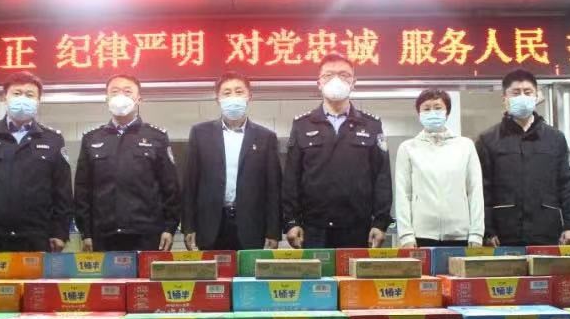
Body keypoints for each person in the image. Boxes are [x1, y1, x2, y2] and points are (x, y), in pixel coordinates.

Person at [282, 53, 392, 249]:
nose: (336, 80)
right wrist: (291, 221)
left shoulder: (371, 125)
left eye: (343, 75)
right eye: (328, 75)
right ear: (319, 83)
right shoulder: (302, 125)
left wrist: (380, 222)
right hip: (313, 228)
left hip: (359, 228)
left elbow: (382, 177)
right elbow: (291, 178)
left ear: (353, 82)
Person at [0, 71, 72, 253]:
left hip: (38, 236)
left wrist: (60, 232)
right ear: (5, 97)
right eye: (17, 93)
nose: (23, 99)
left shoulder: (53, 139)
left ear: (38, 101)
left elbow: (62, 191)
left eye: (30, 95)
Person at [74, 73, 180, 252]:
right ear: (107, 99)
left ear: (139, 99)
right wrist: (86, 232)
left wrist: (170, 228)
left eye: (127, 91)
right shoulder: (92, 138)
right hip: (103, 234)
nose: (120, 96)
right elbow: (82, 190)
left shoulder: (156, 137)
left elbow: (170, 187)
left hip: (147, 233)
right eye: (115, 92)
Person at [475, 69, 570, 246]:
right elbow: (481, 190)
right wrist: (487, 230)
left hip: (547, 230)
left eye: (527, 92)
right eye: (516, 93)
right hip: (503, 235)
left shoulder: (555, 139)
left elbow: (568, 184)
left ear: (536, 96)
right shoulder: (488, 140)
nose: (522, 97)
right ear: (505, 99)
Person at [182, 72, 282, 251]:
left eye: (239, 92)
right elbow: (190, 184)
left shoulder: (266, 137)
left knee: (248, 270)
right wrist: (188, 226)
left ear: (249, 96)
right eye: (227, 93)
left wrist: (273, 231)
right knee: (213, 270)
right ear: (217, 99)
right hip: (210, 224)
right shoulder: (200, 133)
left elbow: (273, 188)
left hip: (252, 225)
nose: (233, 97)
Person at [395, 89, 484, 248]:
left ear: (447, 113)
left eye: (437, 108)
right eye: (426, 109)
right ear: (419, 114)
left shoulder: (465, 146)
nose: (432, 112)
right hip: (420, 234)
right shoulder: (408, 148)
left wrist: (477, 233)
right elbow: (403, 194)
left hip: (460, 234)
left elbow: (475, 190)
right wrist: (406, 235)